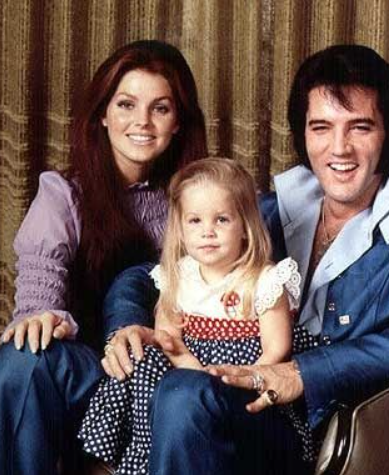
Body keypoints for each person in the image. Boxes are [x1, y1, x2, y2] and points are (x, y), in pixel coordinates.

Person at [100, 44, 389, 474]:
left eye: (360, 127)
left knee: (186, 393)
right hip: (235, 404)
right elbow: (145, 275)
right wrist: (126, 327)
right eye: (321, 127)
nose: (339, 148)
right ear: (303, 135)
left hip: (323, 432)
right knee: (146, 385)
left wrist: (306, 371)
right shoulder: (266, 213)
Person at [0, 39, 207, 475]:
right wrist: (43, 317)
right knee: (23, 357)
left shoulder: (198, 201)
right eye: (127, 105)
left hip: (164, 372)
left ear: (179, 123)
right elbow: (40, 295)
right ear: (102, 116)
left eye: (161, 109)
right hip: (88, 371)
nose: (142, 123)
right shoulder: (64, 195)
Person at [78, 157, 314, 474]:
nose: (207, 232)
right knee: (144, 359)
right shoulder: (179, 276)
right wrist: (191, 366)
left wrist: (232, 376)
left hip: (240, 382)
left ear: (245, 226)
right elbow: (168, 337)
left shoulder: (264, 280)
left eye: (221, 220)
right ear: (181, 228)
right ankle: (128, 457)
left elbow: (277, 348)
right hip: (185, 367)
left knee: (189, 394)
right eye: (195, 221)